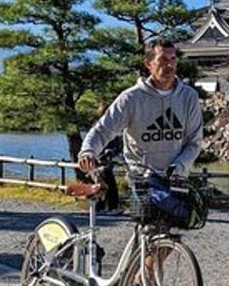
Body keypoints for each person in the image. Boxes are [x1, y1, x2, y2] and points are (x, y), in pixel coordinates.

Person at [78, 38, 203, 220]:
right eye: (162, 60)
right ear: (148, 64)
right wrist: (88, 151)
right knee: (147, 231)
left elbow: (194, 142)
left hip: (176, 179)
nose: (169, 65)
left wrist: (179, 167)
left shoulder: (188, 97)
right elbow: (103, 130)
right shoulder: (131, 98)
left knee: (170, 238)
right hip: (143, 179)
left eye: (173, 59)